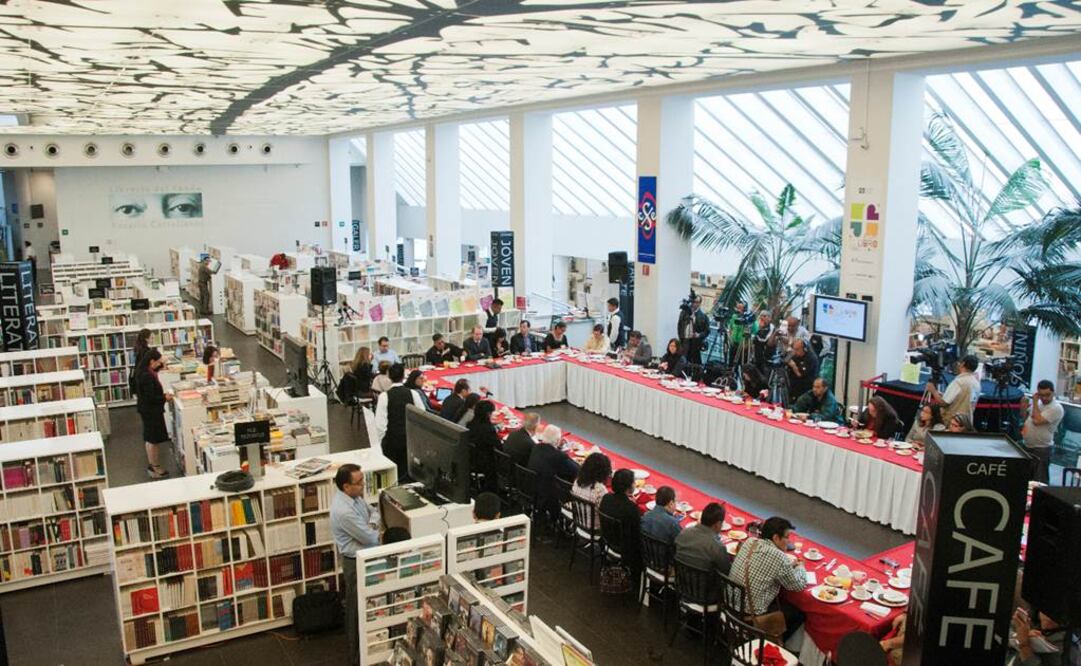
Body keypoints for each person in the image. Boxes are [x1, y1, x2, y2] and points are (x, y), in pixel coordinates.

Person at [330, 464, 380, 666]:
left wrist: (371, 524)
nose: (363, 486)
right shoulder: (344, 511)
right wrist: (373, 526)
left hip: (362, 555)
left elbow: (373, 511)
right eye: (358, 483)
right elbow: (371, 538)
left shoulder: (354, 497)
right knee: (355, 609)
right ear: (345, 486)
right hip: (354, 561)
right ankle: (356, 657)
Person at [728, 516, 808, 641]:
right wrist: (801, 567)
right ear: (776, 537)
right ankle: (771, 643)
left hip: (729, 604)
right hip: (750, 615)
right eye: (787, 537)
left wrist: (788, 566)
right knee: (798, 614)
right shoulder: (779, 557)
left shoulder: (750, 541)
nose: (789, 542)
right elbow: (798, 585)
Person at [374, 364, 424, 479]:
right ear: (403, 376)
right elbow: (422, 416)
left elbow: (380, 425)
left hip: (392, 440)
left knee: (392, 475)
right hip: (410, 440)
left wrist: (381, 443)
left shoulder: (384, 396)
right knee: (408, 473)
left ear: (389, 376)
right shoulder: (413, 394)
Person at [528, 424, 579, 522]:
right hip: (549, 495)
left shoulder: (536, 448)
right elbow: (576, 469)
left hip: (533, 489)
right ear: (557, 441)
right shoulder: (559, 456)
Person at [134, 349, 172, 479]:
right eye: (158, 362)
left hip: (146, 410)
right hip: (151, 411)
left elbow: (157, 368)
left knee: (149, 438)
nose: (159, 365)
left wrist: (163, 362)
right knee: (153, 439)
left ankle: (153, 464)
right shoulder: (147, 376)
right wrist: (164, 397)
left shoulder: (144, 371)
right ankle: (155, 467)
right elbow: (150, 398)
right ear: (152, 361)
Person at [599, 469, 642, 581]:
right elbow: (637, 533)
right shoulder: (631, 508)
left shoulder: (606, 498)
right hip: (625, 548)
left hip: (607, 540)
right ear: (628, 487)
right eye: (633, 482)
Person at [1022, 379, 1065, 484]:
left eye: (1047, 395)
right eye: (1041, 395)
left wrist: (1035, 402)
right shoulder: (1039, 404)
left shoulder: (1056, 408)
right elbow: (1025, 418)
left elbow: (1037, 421)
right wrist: (1023, 406)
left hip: (1041, 448)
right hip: (1028, 445)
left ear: (1053, 392)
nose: (1044, 398)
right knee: (1025, 478)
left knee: (1039, 480)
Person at [674, 502, 731, 575]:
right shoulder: (717, 547)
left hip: (680, 580)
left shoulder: (684, 532)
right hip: (704, 585)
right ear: (718, 524)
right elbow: (726, 571)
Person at [1009, 607, 1080, 666]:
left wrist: (1025, 646)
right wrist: (1019, 635)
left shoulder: (1069, 647)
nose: (1048, 617)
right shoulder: (1033, 621)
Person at [925, 354, 981, 424]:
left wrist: (933, 391)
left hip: (952, 422)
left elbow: (943, 403)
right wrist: (943, 395)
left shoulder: (959, 382)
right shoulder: (976, 383)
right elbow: (963, 399)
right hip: (966, 422)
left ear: (963, 364)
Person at [467, 400, 502, 491]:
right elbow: (499, 447)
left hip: (471, 457)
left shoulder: (470, 423)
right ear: (488, 414)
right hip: (484, 462)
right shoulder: (487, 429)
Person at [571, 452, 612, 530]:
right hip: (595, 528)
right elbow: (607, 513)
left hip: (578, 520)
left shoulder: (577, 480)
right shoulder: (600, 490)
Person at [677, 295, 710, 365]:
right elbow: (679, 326)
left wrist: (699, 335)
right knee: (683, 362)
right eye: (693, 302)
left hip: (696, 343)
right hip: (685, 341)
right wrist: (681, 338)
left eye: (697, 302)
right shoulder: (684, 313)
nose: (694, 304)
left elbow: (707, 331)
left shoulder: (704, 316)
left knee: (695, 364)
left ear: (700, 303)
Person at [727, 301, 752, 366]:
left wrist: (746, 345)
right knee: (730, 364)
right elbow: (730, 328)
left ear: (745, 309)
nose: (738, 310)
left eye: (740, 308)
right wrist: (730, 338)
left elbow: (753, 333)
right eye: (737, 308)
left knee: (740, 365)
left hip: (743, 346)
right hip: (733, 344)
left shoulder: (748, 319)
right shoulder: (734, 316)